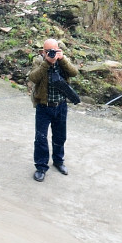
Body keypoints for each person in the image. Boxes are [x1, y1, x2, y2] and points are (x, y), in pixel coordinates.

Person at [27, 38, 78, 181]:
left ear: (58, 50)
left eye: (54, 50)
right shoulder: (39, 61)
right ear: (43, 51)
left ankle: (58, 161)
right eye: (48, 51)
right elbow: (33, 77)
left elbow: (74, 72)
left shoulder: (63, 60)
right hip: (44, 106)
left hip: (60, 105)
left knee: (60, 136)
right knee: (41, 138)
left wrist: (62, 60)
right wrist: (47, 63)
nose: (51, 53)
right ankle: (41, 167)